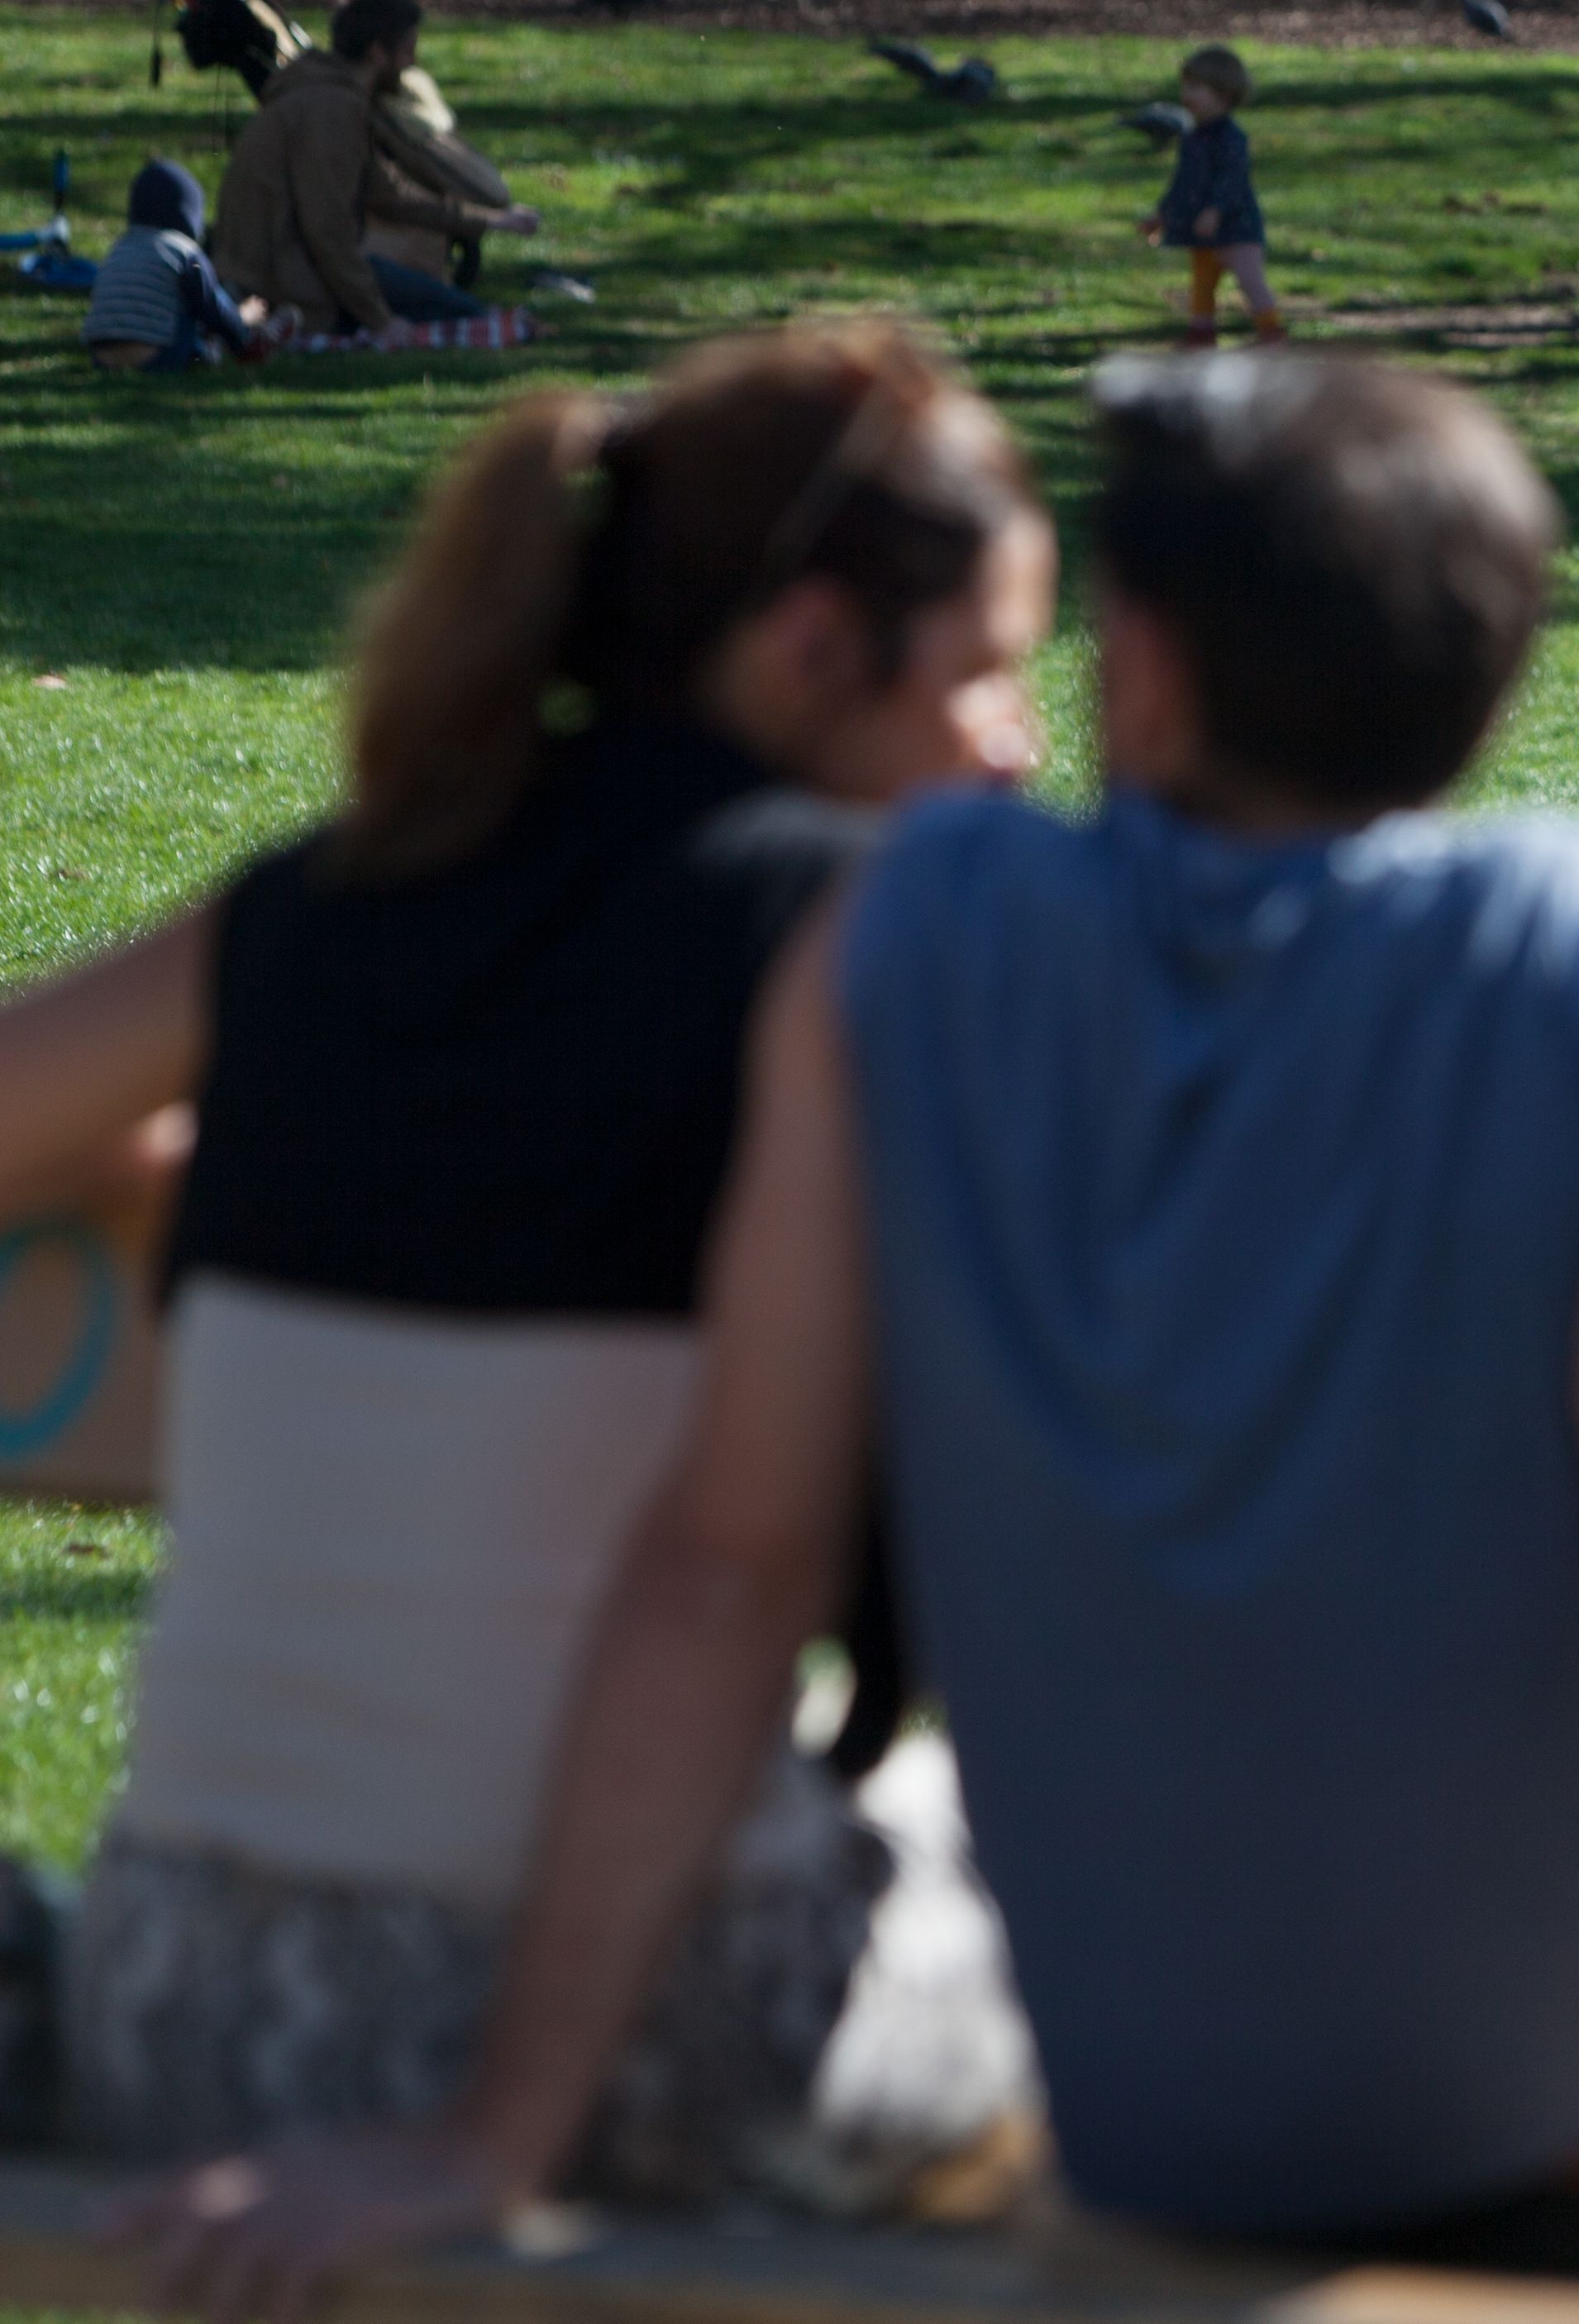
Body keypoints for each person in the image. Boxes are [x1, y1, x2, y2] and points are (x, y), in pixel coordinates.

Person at [120, 355, 1579, 2324]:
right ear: (1488, 680)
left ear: (1135, 663)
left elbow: (723, 1568)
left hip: (1166, 2138)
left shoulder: (906, 943)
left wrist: (493, 2140)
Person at [0, 323, 1052, 2202]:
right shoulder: (855, 932)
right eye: (984, 672)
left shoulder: (315, 905)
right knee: (1079, 1869)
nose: (1018, 746)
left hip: (182, 2009)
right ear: (812, 648)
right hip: (608, 2053)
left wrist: (203, 1155)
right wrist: (501, 2125)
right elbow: (736, 1567)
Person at [213, 0, 542, 340]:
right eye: (408, 50)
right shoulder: (330, 109)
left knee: (465, 309)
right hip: (285, 286)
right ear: (377, 52)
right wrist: (380, 321)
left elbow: (391, 195)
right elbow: (328, 230)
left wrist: (491, 219)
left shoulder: (331, 95)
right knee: (479, 320)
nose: (412, 63)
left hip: (297, 271)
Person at [1138, 43, 1283, 349]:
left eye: (1195, 88)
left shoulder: (1231, 138)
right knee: (1203, 284)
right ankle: (1201, 335)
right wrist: (1162, 215)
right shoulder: (1192, 137)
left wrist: (1215, 210)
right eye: (1185, 87)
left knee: (1249, 279)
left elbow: (1233, 180)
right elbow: (1183, 184)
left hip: (1237, 228)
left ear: (1224, 94)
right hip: (1202, 231)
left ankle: (1271, 332)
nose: (1185, 95)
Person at [82, 160, 264, 374]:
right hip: (157, 357)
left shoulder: (120, 248)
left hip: (101, 358)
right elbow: (212, 308)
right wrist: (242, 322)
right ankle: (204, 351)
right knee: (192, 303)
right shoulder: (183, 251)